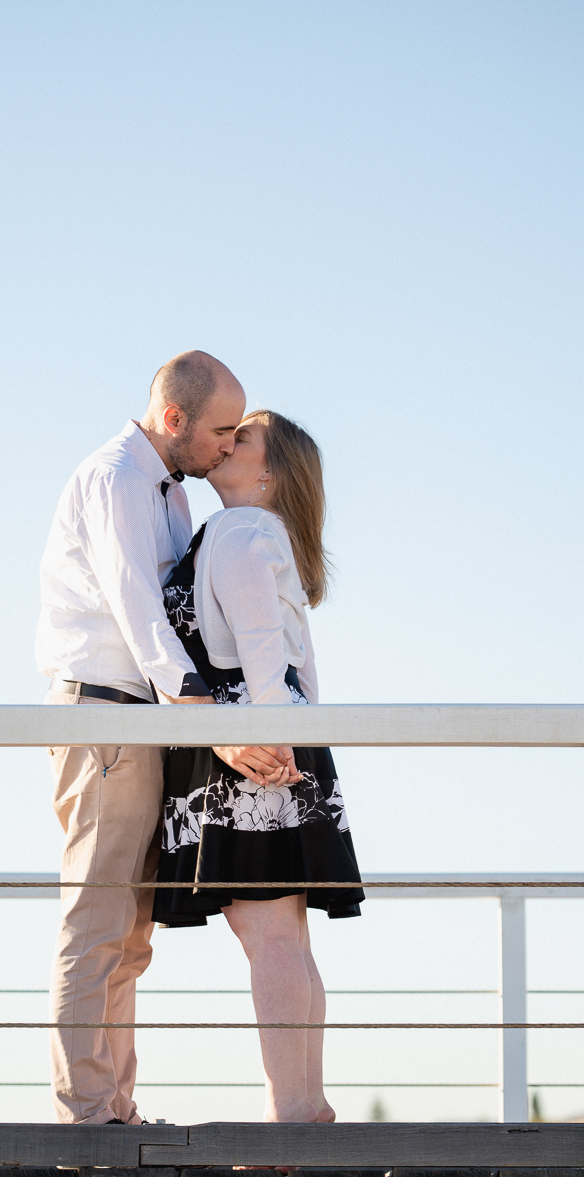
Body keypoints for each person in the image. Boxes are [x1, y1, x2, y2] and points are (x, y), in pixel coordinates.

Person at [35, 352, 293, 1126]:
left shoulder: (172, 496)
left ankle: (113, 1107)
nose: (226, 445)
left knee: (130, 935)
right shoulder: (116, 475)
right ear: (173, 418)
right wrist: (207, 721)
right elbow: (136, 605)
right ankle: (86, 1120)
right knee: (98, 919)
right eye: (220, 430)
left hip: (146, 719)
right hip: (108, 715)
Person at [152, 409, 365, 1124]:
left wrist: (262, 732)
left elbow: (260, 645)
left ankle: (292, 1112)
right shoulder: (254, 533)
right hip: (275, 730)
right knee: (284, 934)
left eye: (241, 438)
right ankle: (305, 1104)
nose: (224, 441)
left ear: (268, 473)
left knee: (268, 934)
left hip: (252, 738)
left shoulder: (243, 530)